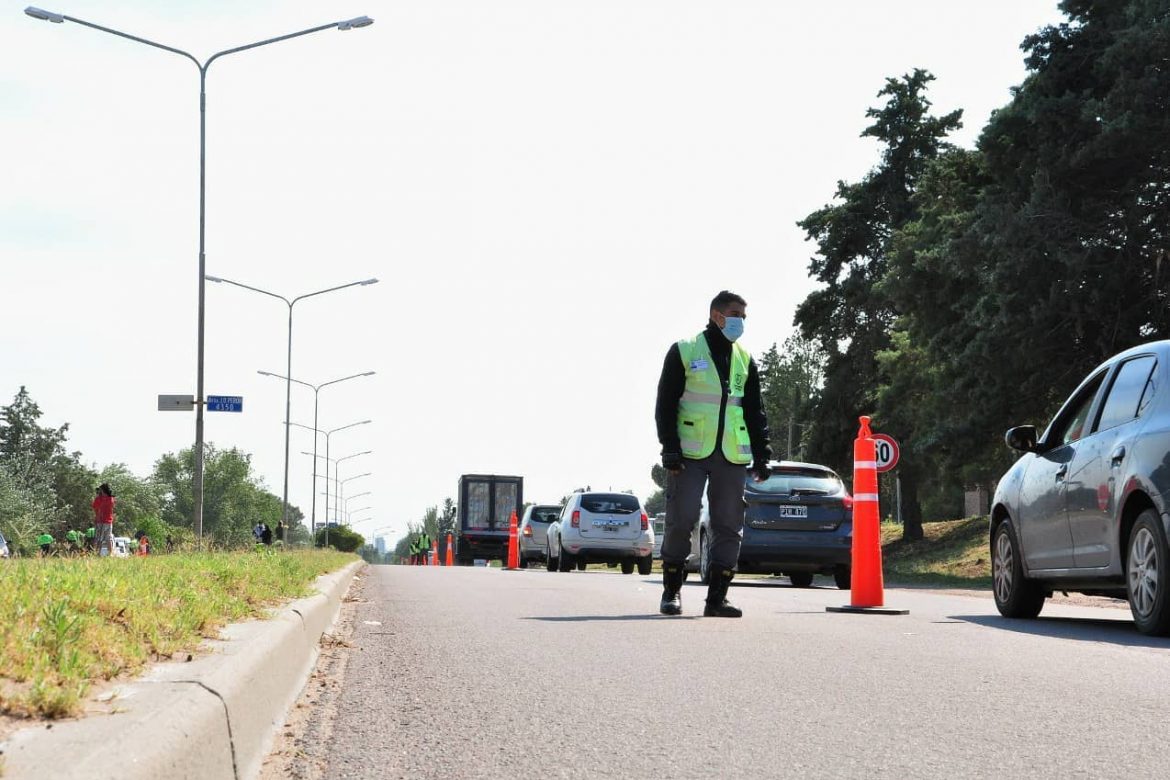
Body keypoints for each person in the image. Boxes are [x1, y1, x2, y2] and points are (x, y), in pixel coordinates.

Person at [654, 290, 772, 618]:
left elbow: (754, 412)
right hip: (690, 452)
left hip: (732, 455)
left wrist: (762, 454)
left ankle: (717, 599)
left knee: (729, 526)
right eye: (736, 315)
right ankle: (671, 593)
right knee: (682, 519)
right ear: (717, 315)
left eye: (744, 317)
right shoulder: (684, 351)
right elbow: (665, 404)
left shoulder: (745, 360)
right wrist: (670, 448)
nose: (741, 322)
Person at [92, 483, 116, 557]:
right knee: (108, 538)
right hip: (109, 521)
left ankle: (97, 553)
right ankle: (110, 553)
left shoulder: (99, 499)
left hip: (100, 521)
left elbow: (94, 506)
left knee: (99, 538)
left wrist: (98, 496)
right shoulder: (111, 499)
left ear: (102, 490)